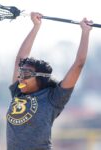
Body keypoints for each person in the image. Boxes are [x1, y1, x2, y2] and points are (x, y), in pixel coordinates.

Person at [6, 12, 92, 150]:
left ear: (40, 77)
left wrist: (85, 32)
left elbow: (79, 64)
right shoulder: (18, 92)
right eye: (20, 72)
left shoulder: (53, 98)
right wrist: (36, 26)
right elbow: (20, 58)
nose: (21, 77)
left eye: (26, 73)